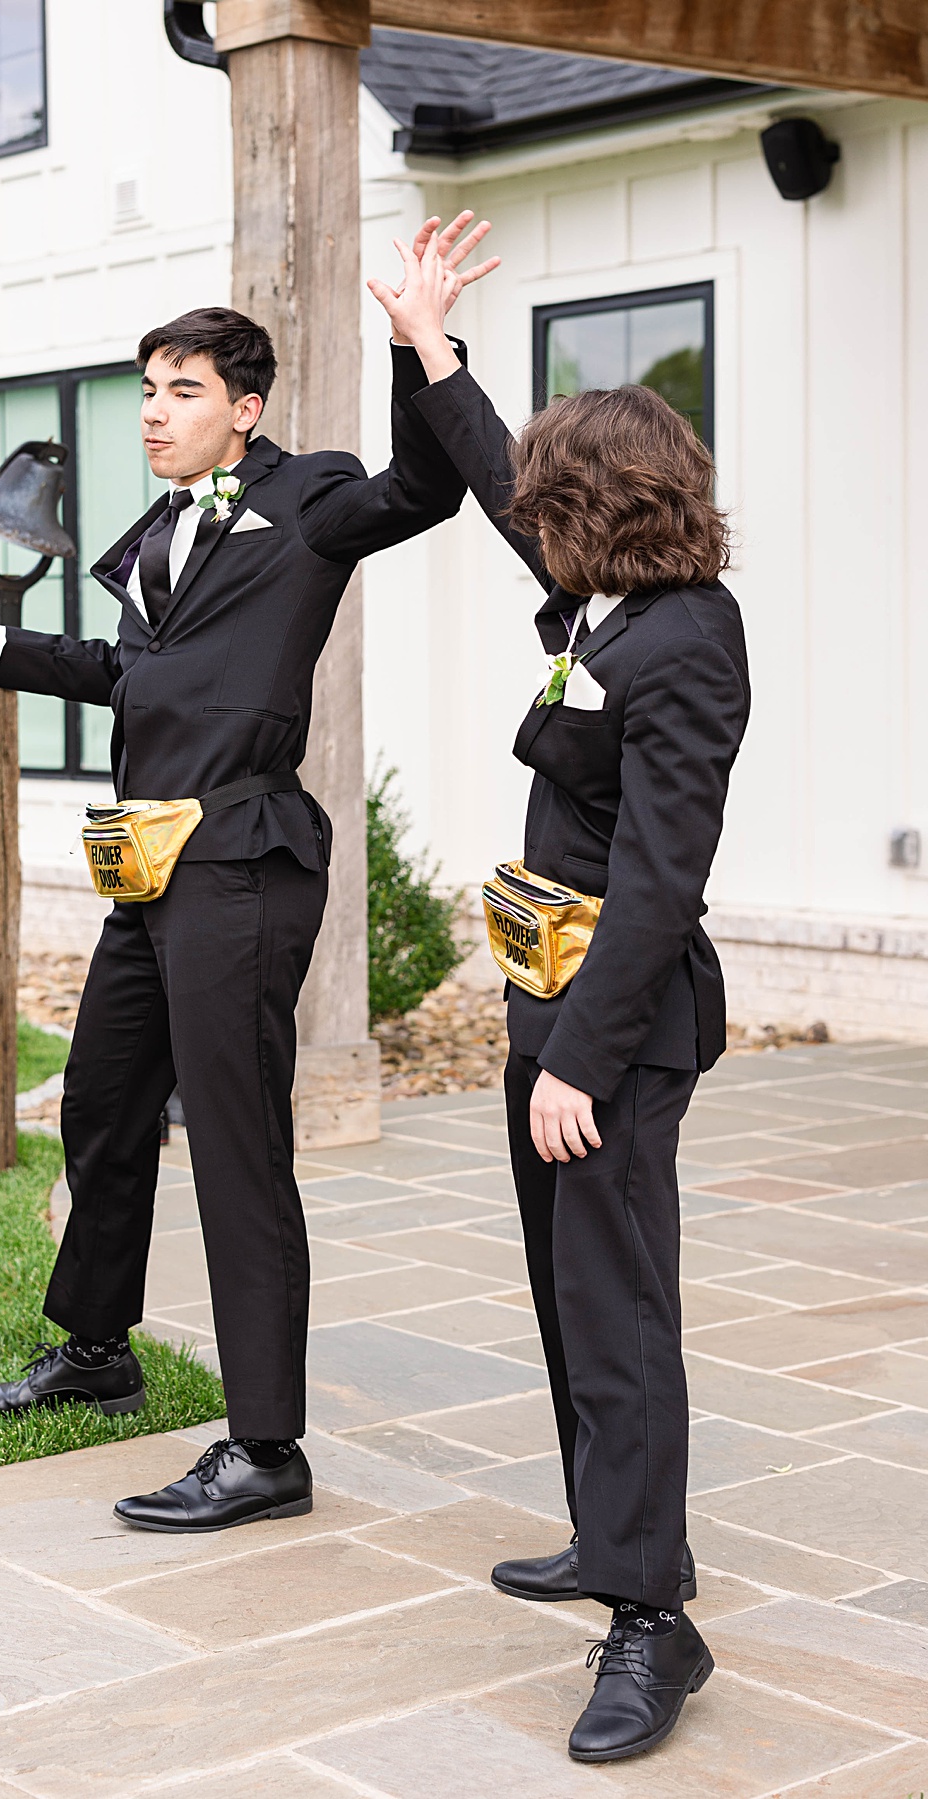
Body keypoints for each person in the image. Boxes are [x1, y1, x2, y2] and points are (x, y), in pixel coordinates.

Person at [0, 241, 497, 1534]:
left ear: (247, 406)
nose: (153, 413)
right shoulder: (162, 536)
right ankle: (98, 1348)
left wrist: (419, 345)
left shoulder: (311, 502)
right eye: (146, 392)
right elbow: (140, 674)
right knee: (107, 1107)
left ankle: (267, 1447)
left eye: (179, 390)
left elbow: (429, 488)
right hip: (151, 869)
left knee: (236, 1151)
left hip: (244, 864)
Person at [367, 229, 749, 1763]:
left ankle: (654, 1626)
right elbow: (478, 479)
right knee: (565, 1303)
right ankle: (610, 1537)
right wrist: (430, 346)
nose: (529, 510)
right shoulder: (603, 600)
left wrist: (578, 1062)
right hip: (555, 1006)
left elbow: (663, 882)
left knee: (619, 1316)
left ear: (602, 507)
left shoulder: (685, 643)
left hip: (620, 1028)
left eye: (550, 493)